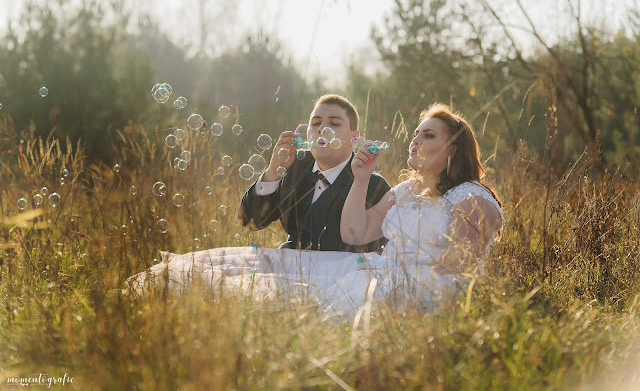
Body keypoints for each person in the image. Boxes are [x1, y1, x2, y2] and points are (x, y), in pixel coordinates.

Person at [128, 103, 502, 318]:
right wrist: (358, 178)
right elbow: (355, 233)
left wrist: (396, 283)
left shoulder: (472, 199)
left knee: (309, 297)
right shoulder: (404, 190)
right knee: (243, 275)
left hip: (419, 285)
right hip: (379, 269)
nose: (415, 140)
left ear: (452, 149)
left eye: (429, 135)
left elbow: (459, 267)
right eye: (416, 133)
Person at [238, 93, 391, 252]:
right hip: (290, 264)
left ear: (355, 137)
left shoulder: (372, 184)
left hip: (343, 272)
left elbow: (376, 249)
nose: (322, 130)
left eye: (334, 123)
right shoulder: (293, 166)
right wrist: (273, 172)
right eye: (316, 123)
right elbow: (251, 220)